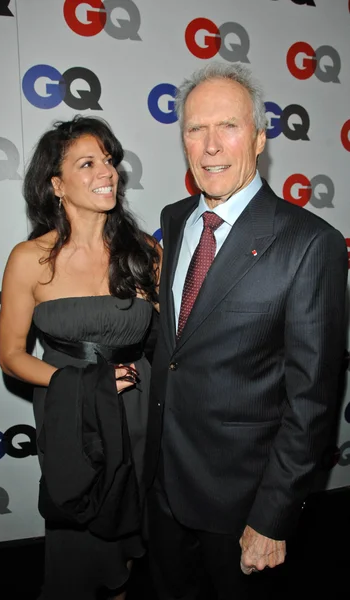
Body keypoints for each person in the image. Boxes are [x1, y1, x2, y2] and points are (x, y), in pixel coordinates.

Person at [144, 60, 348, 599]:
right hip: (161, 489)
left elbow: (312, 402)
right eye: (195, 129)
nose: (210, 145)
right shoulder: (172, 218)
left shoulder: (309, 243)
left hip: (242, 509)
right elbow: (178, 345)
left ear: (259, 139)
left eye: (227, 127)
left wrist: (273, 517)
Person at [0, 115, 161, 600]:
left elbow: (171, 342)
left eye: (108, 161)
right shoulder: (29, 258)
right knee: (81, 542)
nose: (106, 171)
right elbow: (10, 356)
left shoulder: (145, 253)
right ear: (57, 185)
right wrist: (87, 385)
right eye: (87, 163)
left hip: (140, 409)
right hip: (71, 412)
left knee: (133, 542)